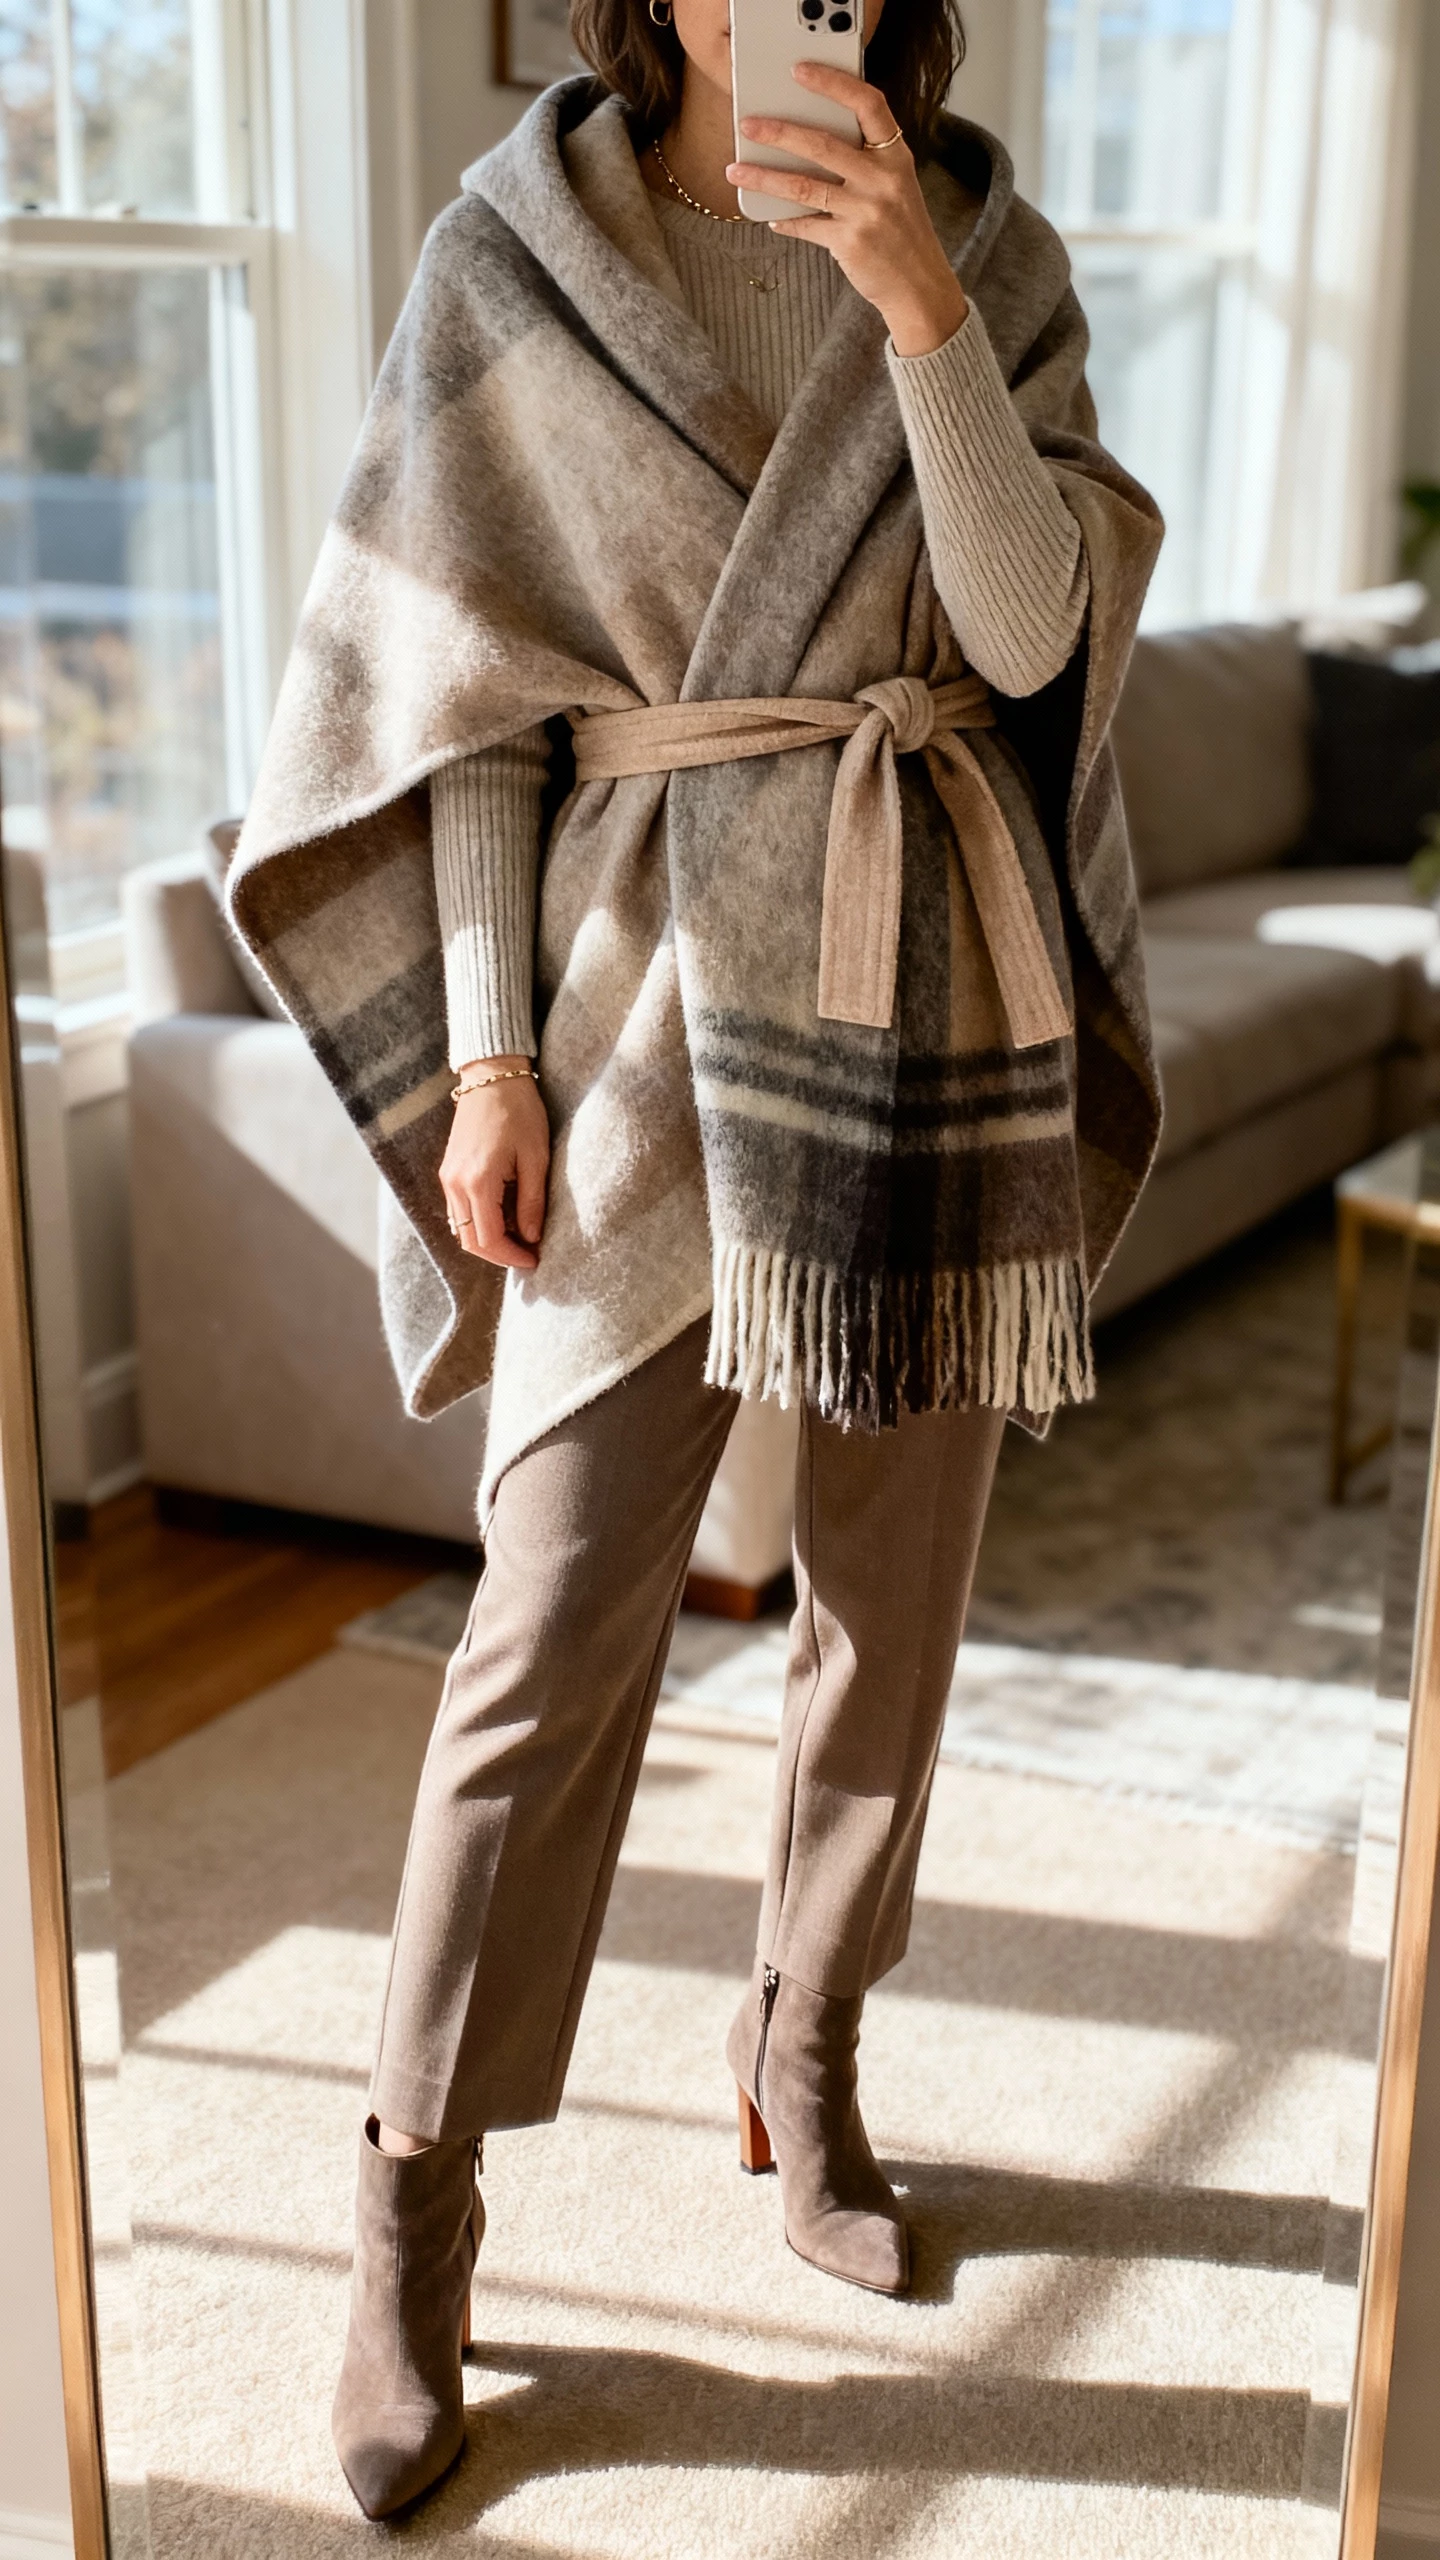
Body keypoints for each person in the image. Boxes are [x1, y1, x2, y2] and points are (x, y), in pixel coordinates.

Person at [228, 0, 1163, 2517]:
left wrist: (919, 306)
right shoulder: (516, 253)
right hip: (632, 1004)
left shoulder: (987, 242)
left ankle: (807, 2041)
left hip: (920, 972)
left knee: (893, 1598)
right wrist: (489, 1060)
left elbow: (1034, 639)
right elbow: (459, 697)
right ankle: (413, 2195)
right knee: (544, 1632)